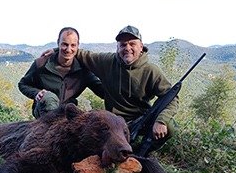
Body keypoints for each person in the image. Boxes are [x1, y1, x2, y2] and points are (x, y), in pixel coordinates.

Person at [43, 25, 178, 154]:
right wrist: (57, 51)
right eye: (123, 45)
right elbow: (80, 53)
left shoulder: (151, 71)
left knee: (170, 127)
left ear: (141, 47)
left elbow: (171, 97)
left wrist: (161, 120)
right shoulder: (107, 62)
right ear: (118, 47)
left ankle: (140, 151)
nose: (127, 48)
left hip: (141, 118)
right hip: (114, 121)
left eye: (132, 44)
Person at [18, 27, 104, 118]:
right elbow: (23, 84)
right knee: (49, 98)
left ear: (78, 45)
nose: (68, 49)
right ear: (58, 42)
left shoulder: (83, 70)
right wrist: (36, 93)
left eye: (73, 45)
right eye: (64, 44)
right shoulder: (41, 64)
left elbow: (102, 91)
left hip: (67, 113)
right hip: (45, 112)